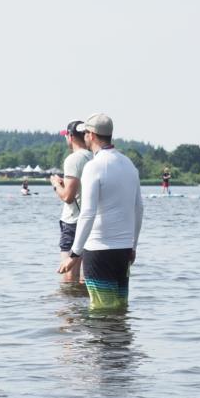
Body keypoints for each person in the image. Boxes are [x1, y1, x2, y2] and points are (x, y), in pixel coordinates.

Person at [58, 113, 143, 310]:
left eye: (86, 132)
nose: (84, 136)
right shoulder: (129, 164)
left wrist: (74, 253)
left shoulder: (94, 166)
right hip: (123, 251)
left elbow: (87, 212)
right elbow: (138, 208)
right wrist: (133, 247)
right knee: (120, 309)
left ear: (92, 135)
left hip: (99, 251)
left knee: (101, 310)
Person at [51, 119, 93, 284]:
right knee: (84, 276)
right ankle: (81, 306)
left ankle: (70, 307)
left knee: (69, 275)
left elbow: (68, 197)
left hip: (73, 221)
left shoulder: (73, 159)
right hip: (91, 221)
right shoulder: (93, 156)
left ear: (71, 137)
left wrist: (56, 185)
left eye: (66, 136)